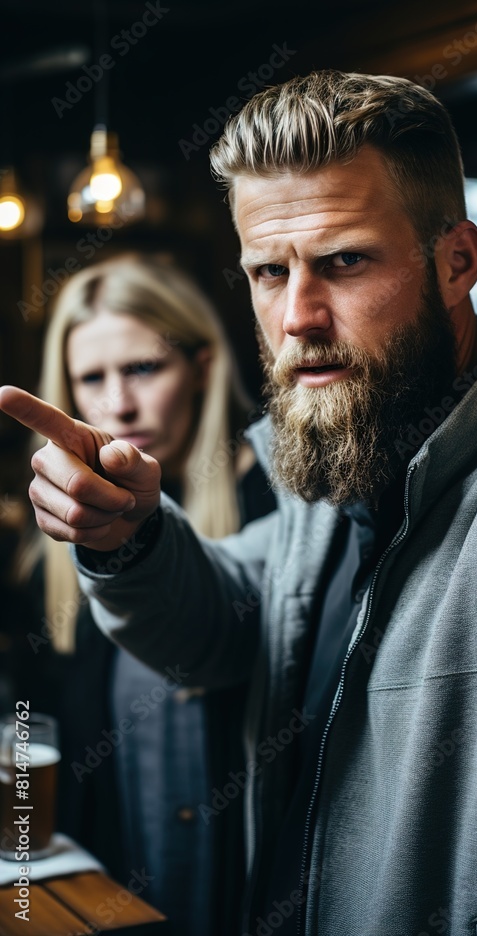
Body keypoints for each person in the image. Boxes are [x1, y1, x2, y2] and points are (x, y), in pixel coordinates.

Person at [2, 70, 477, 935]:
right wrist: (129, 536)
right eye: (269, 272)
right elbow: (217, 620)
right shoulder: (337, 477)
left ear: (458, 260)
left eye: (343, 262)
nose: (297, 316)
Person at [9, 255, 274, 936]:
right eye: (91, 378)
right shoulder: (56, 544)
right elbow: (31, 721)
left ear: (204, 366)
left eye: (143, 369)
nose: (118, 404)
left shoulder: (278, 504)